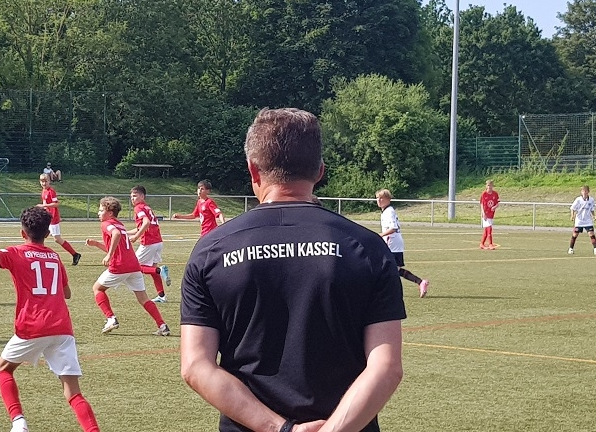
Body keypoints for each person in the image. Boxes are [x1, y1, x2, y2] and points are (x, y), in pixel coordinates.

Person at [180, 108, 406, 432]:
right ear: (320, 171)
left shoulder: (211, 251)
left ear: (253, 169)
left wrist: (280, 428)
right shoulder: (368, 247)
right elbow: (386, 367)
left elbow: (195, 365)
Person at [0, 207, 101, 432]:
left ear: (23, 233)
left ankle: (19, 422)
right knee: (74, 393)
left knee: (3, 368)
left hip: (33, 325)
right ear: (48, 233)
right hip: (62, 327)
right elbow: (67, 293)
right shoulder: (55, 256)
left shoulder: (17, 252)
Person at [86, 196, 170, 336]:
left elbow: (115, 235)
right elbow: (117, 244)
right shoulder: (120, 224)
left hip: (120, 266)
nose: (98, 213)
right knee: (143, 299)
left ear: (110, 213)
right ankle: (162, 325)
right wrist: (97, 244)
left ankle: (111, 318)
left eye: (101, 210)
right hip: (134, 265)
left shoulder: (106, 224)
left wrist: (109, 255)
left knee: (97, 288)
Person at [376, 189, 429, 298]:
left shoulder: (389, 212)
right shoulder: (387, 211)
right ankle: (420, 282)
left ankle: (386, 292)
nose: (379, 200)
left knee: (384, 268)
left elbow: (393, 228)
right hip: (395, 242)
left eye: (382, 198)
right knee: (395, 269)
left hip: (392, 243)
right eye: (377, 198)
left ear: (388, 199)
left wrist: (380, 235)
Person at [128, 185, 171, 303]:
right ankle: (161, 296)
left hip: (149, 242)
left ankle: (160, 270)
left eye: (135, 196)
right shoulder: (147, 207)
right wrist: (125, 233)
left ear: (142, 196)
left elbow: (146, 223)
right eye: (131, 196)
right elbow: (142, 226)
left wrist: (136, 236)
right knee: (151, 269)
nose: (132, 199)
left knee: (134, 266)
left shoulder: (138, 208)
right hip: (158, 241)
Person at [37, 173, 81, 266]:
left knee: (57, 239)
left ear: (49, 181)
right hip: (47, 217)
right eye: (42, 181)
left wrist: (44, 206)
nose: (44, 183)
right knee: (40, 234)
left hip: (53, 218)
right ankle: (39, 256)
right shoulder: (43, 191)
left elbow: (56, 204)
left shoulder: (51, 191)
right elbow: (45, 204)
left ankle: (75, 254)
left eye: (46, 181)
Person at [569, 185, 596, 255]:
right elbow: (572, 208)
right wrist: (572, 216)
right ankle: (571, 249)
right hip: (579, 220)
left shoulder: (591, 200)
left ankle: (595, 249)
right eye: (583, 191)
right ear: (581, 192)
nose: (584, 192)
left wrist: (594, 216)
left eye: (586, 191)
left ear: (588, 192)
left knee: (591, 234)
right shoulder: (578, 200)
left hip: (588, 220)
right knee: (575, 235)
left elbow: (592, 209)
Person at [480, 180, 500, 250]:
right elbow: (481, 204)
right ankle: (490, 244)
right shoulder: (484, 194)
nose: (489, 187)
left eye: (491, 185)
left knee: (486, 230)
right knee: (489, 228)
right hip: (485, 214)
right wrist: (483, 213)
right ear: (486, 186)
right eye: (488, 185)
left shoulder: (495, 194)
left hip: (491, 214)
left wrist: (495, 207)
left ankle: (482, 244)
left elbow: (497, 203)